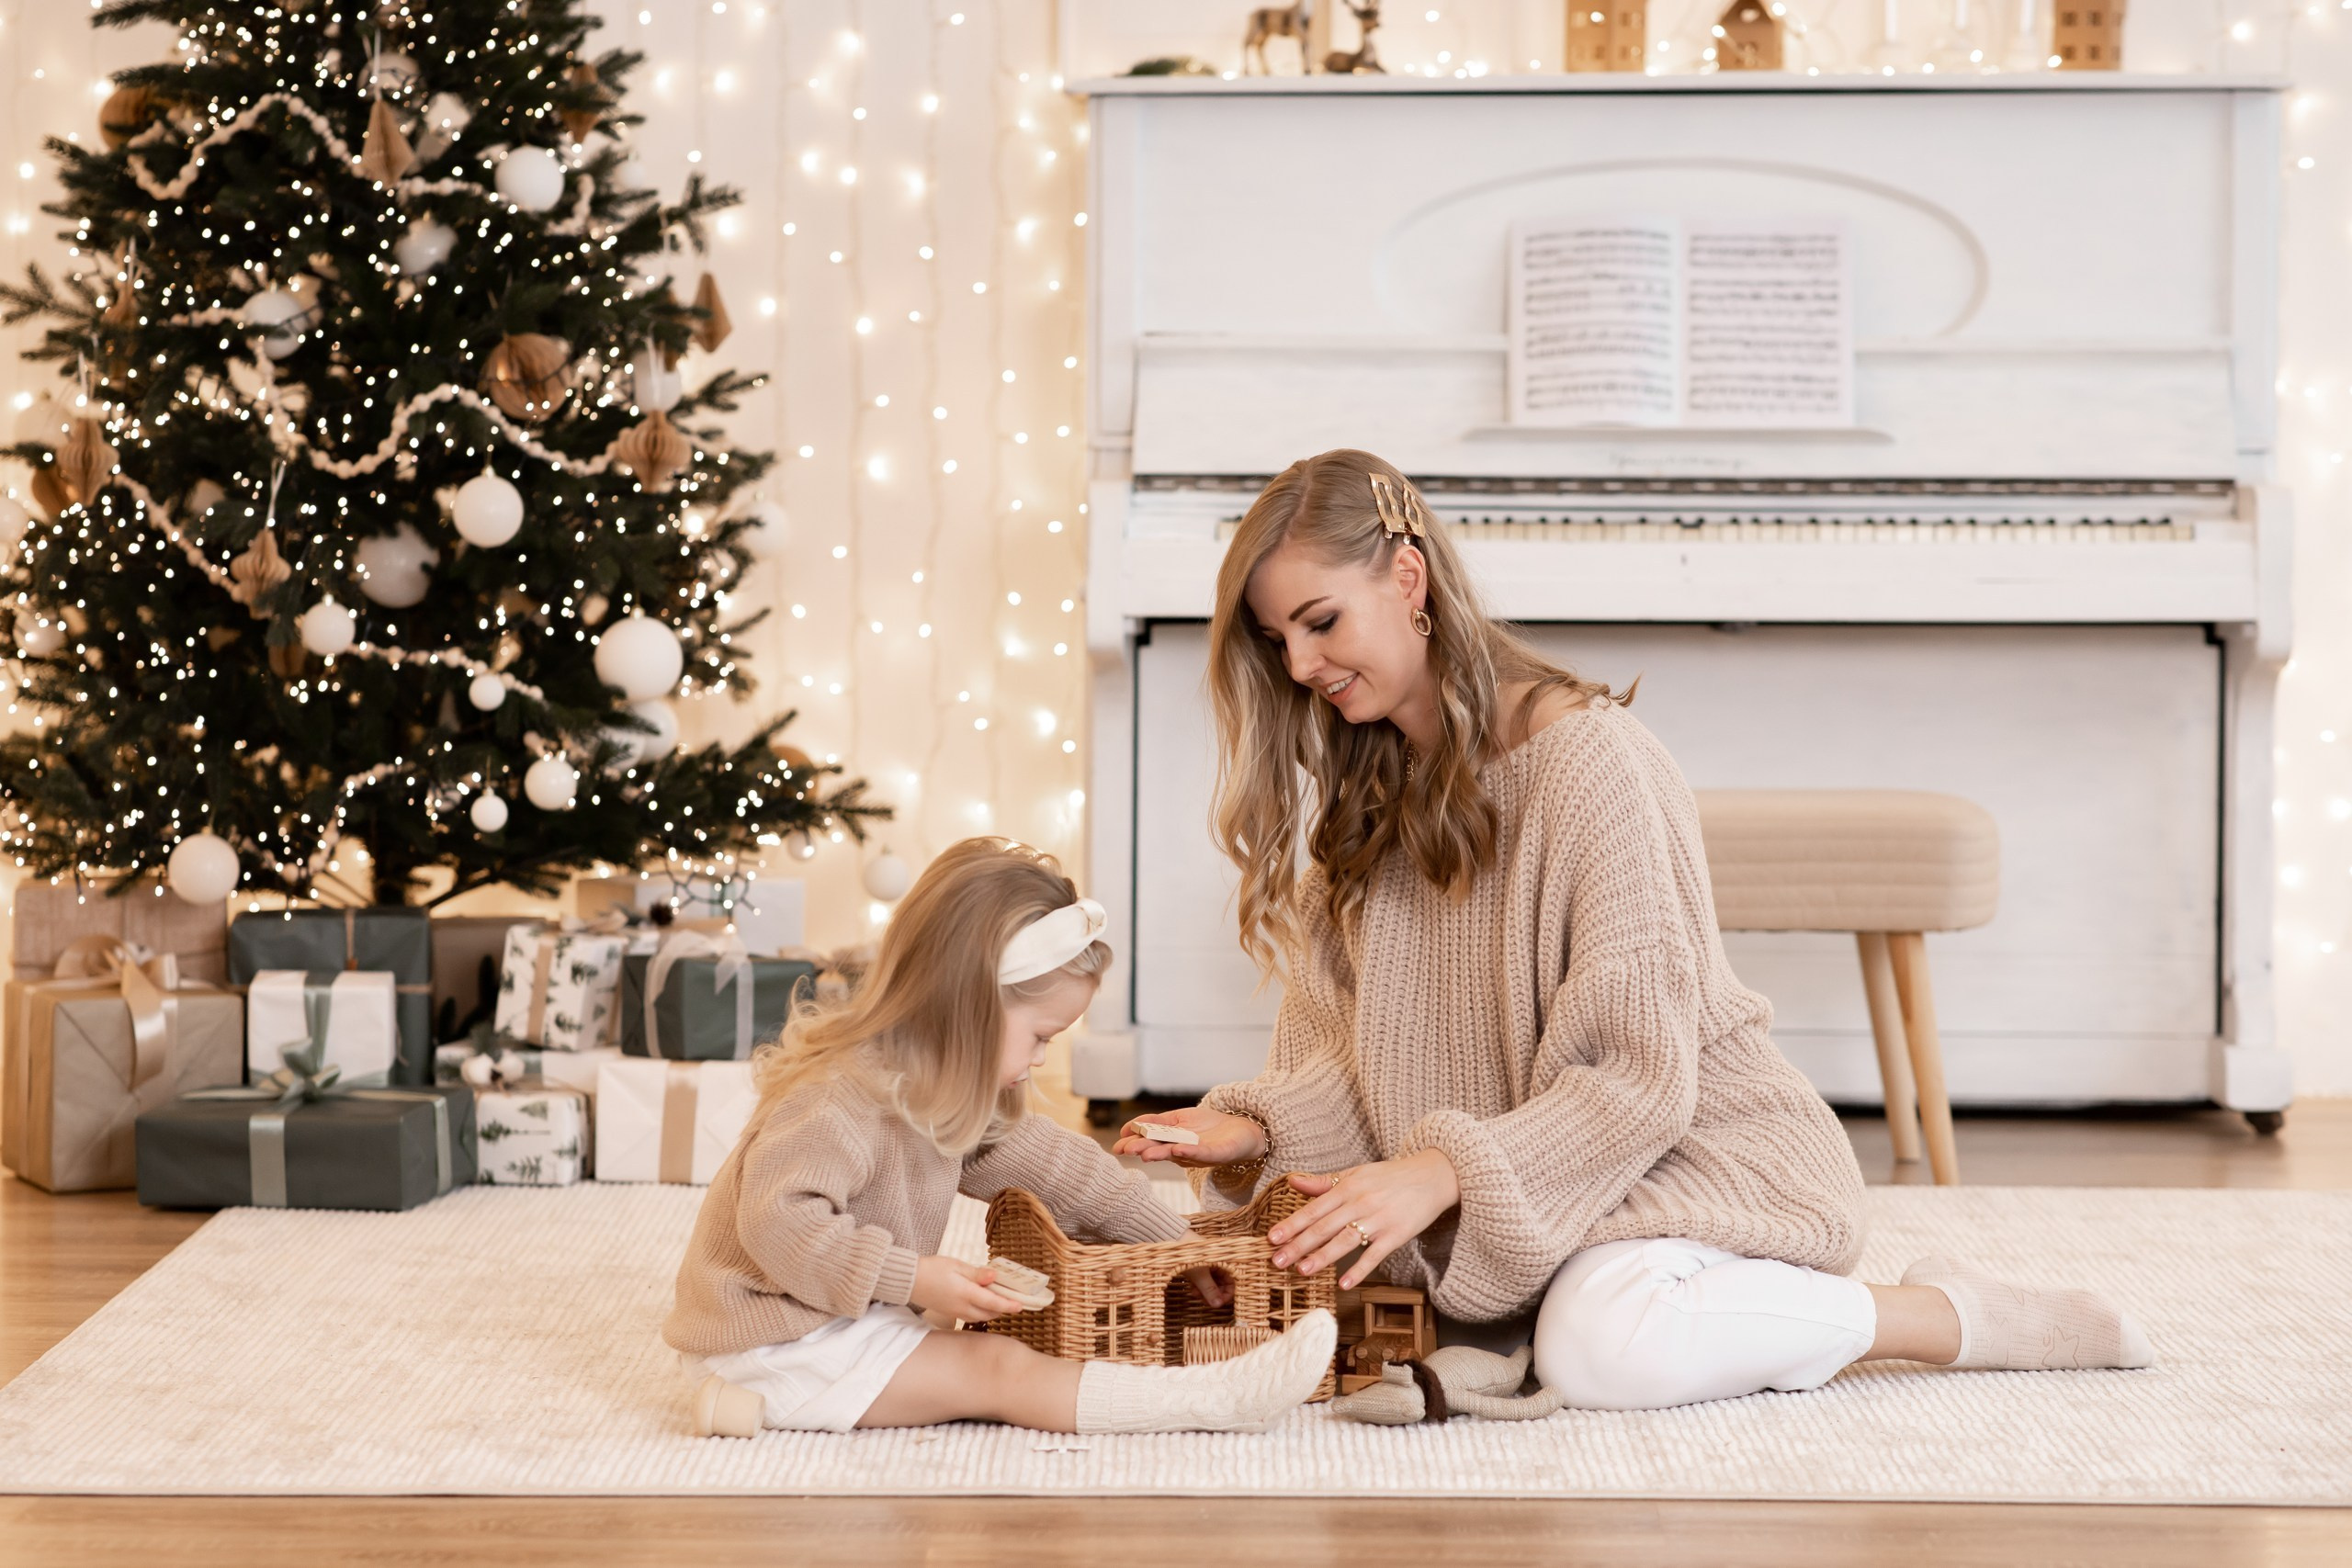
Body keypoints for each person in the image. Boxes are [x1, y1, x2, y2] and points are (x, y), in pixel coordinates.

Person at [1115, 449, 2152, 1411]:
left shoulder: (1591, 763)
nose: (1299, 665)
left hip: (1685, 1163)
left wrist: (1442, 1174)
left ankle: (1943, 1314)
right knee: (1312, 1295)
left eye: (1319, 622)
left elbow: (1637, 1080)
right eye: (1276, 640)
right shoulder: (1364, 809)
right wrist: (1252, 1128)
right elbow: (1362, 1068)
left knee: (1599, 1345)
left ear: (1408, 580)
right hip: (1538, 1193)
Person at [667, 837, 1337, 1437]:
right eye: (1041, 1034)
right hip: (772, 1337)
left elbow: (1061, 1170)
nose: (1044, 1056)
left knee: (995, 1328)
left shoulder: (947, 1088)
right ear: (970, 1005)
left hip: (835, 1311)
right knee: (998, 1366)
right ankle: (1209, 1401)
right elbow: (777, 1221)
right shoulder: (836, 1095)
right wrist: (917, 1276)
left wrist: (1174, 1243)